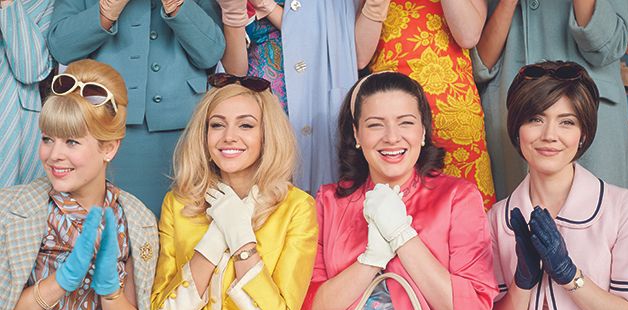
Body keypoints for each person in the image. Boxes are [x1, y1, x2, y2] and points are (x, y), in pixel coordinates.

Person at [299, 71, 502, 310]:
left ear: (423, 132)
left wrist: (402, 236)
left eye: (406, 122)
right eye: (376, 124)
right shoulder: (329, 202)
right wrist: (372, 259)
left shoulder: (458, 197)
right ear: (356, 134)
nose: (392, 137)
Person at [132, 74, 318, 310]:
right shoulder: (178, 204)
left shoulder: (297, 208)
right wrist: (215, 238)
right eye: (217, 125)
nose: (228, 137)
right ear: (204, 136)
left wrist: (242, 238)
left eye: (246, 125)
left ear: (266, 135)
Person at [0, 59, 158, 310]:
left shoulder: (135, 220)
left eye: (72, 142)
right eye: (48, 139)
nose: (54, 154)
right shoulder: (11, 208)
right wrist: (62, 280)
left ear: (109, 148)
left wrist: (110, 290)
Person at [488, 61, 628, 310]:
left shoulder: (621, 208)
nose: (549, 135)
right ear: (517, 129)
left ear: (583, 134)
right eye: (535, 119)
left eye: (566, 122)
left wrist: (569, 275)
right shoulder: (498, 218)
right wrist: (524, 281)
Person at [47, 0, 225, 215]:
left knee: (182, 226)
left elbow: (211, 52)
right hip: (102, 120)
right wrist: (107, 9)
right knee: (107, 228)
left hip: (182, 125)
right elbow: (61, 48)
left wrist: (176, 4)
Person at [473, 0, 628, 199]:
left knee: (600, 218)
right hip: (513, 113)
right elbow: (480, 66)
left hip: (587, 113)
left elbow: (608, 45)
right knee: (514, 221)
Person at [357, 0, 496, 209]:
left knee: (465, 213)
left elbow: (468, 36)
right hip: (392, 124)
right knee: (396, 214)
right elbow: (359, 57)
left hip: (454, 119)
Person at [214, 0, 360, 194]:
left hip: (315, 94)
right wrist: (233, 13)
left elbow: (331, 41)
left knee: (315, 190)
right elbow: (235, 71)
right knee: (264, 191)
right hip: (263, 99)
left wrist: (267, 6)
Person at [0, 0, 54, 187]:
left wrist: (8, 4)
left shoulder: (46, 3)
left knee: (13, 208)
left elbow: (32, 70)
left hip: (14, 123)